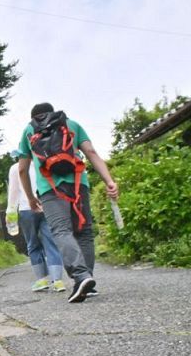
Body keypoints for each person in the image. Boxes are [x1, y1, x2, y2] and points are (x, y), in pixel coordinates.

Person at [18, 103, 119, 303]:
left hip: (49, 188)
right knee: (84, 231)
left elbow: (22, 169)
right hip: (78, 184)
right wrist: (109, 181)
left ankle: (81, 277)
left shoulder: (29, 130)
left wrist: (30, 197)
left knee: (61, 231)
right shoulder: (71, 124)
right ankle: (87, 280)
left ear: (34, 117)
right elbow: (91, 152)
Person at [6, 151, 65, 292]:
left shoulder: (16, 168)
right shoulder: (46, 165)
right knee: (51, 243)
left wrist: (10, 211)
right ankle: (58, 281)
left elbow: (13, 192)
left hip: (27, 209)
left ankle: (42, 280)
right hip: (47, 207)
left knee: (33, 244)